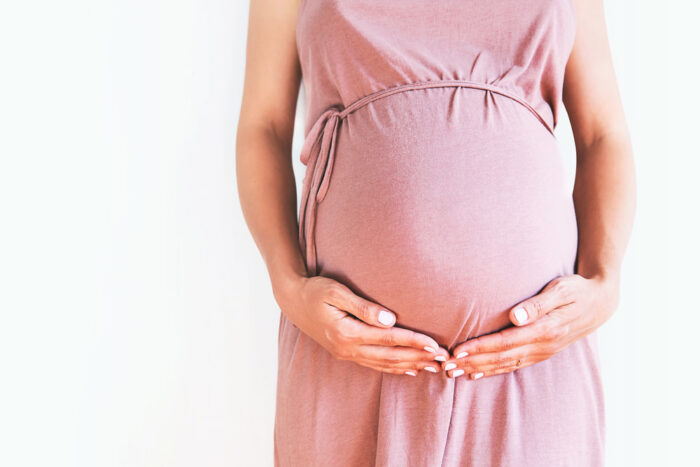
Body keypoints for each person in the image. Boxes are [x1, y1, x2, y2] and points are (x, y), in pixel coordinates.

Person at [236, 0, 636, 465]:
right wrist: (289, 288)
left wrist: (604, 285)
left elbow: (603, 135)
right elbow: (262, 126)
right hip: (349, 348)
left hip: (534, 352)